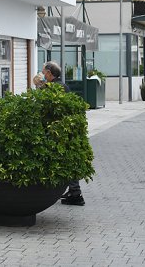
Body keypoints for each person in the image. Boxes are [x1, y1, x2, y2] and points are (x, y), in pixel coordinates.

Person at [41, 61, 84, 206]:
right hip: (64, 129)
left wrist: (40, 88)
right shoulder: (63, 86)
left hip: (56, 131)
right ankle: (74, 191)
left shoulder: (52, 88)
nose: (42, 75)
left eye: (44, 72)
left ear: (49, 73)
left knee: (63, 160)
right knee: (68, 160)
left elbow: (44, 107)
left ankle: (74, 193)